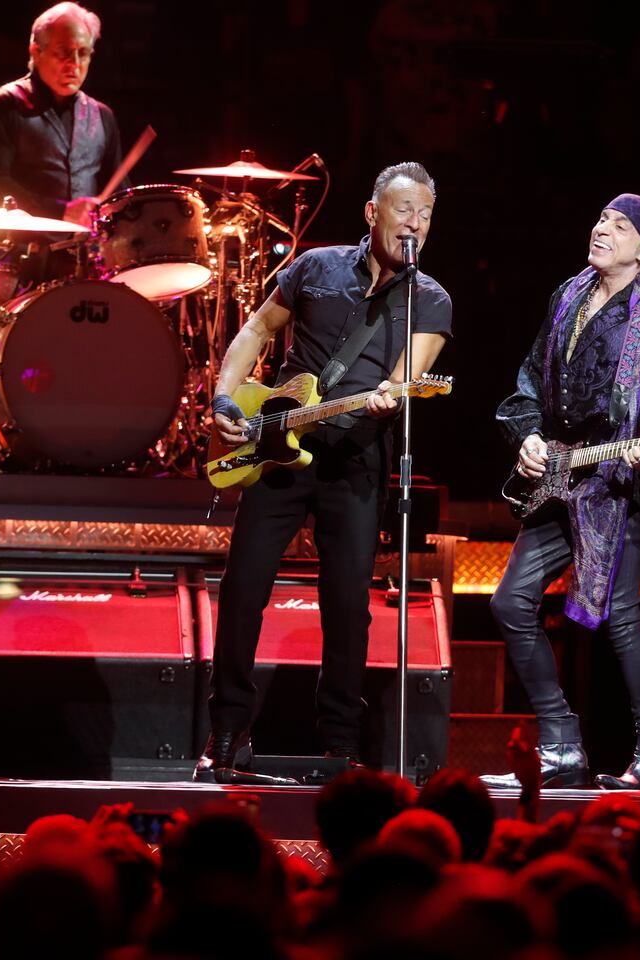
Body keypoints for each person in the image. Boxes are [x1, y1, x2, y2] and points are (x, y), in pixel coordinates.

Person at [196, 162, 452, 783]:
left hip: (356, 458)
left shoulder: (431, 299)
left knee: (347, 605)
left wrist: (392, 398)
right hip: (277, 446)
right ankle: (228, 731)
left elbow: (405, 379)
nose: (414, 223)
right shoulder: (317, 267)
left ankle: (340, 741)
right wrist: (224, 399)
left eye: (424, 214)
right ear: (372, 213)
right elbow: (257, 328)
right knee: (243, 588)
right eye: (404, 210)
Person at [484, 194, 640, 792]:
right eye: (601, 219)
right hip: (557, 476)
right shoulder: (567, 295)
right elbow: (529, 379)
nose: (602, 230)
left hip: (611, 487)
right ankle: (560, 744)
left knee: (621, 617)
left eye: (620, 226)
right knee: (510, 603)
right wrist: (528, 436)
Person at [0, 2, 123, 227]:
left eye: (83, 53)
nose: (75, 64)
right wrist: (60, 211)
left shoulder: (102, 116)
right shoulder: (2, 106)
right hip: (23, 245)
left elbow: (120, 193)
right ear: (36, 51)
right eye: (64, 52)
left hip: (86, 248)